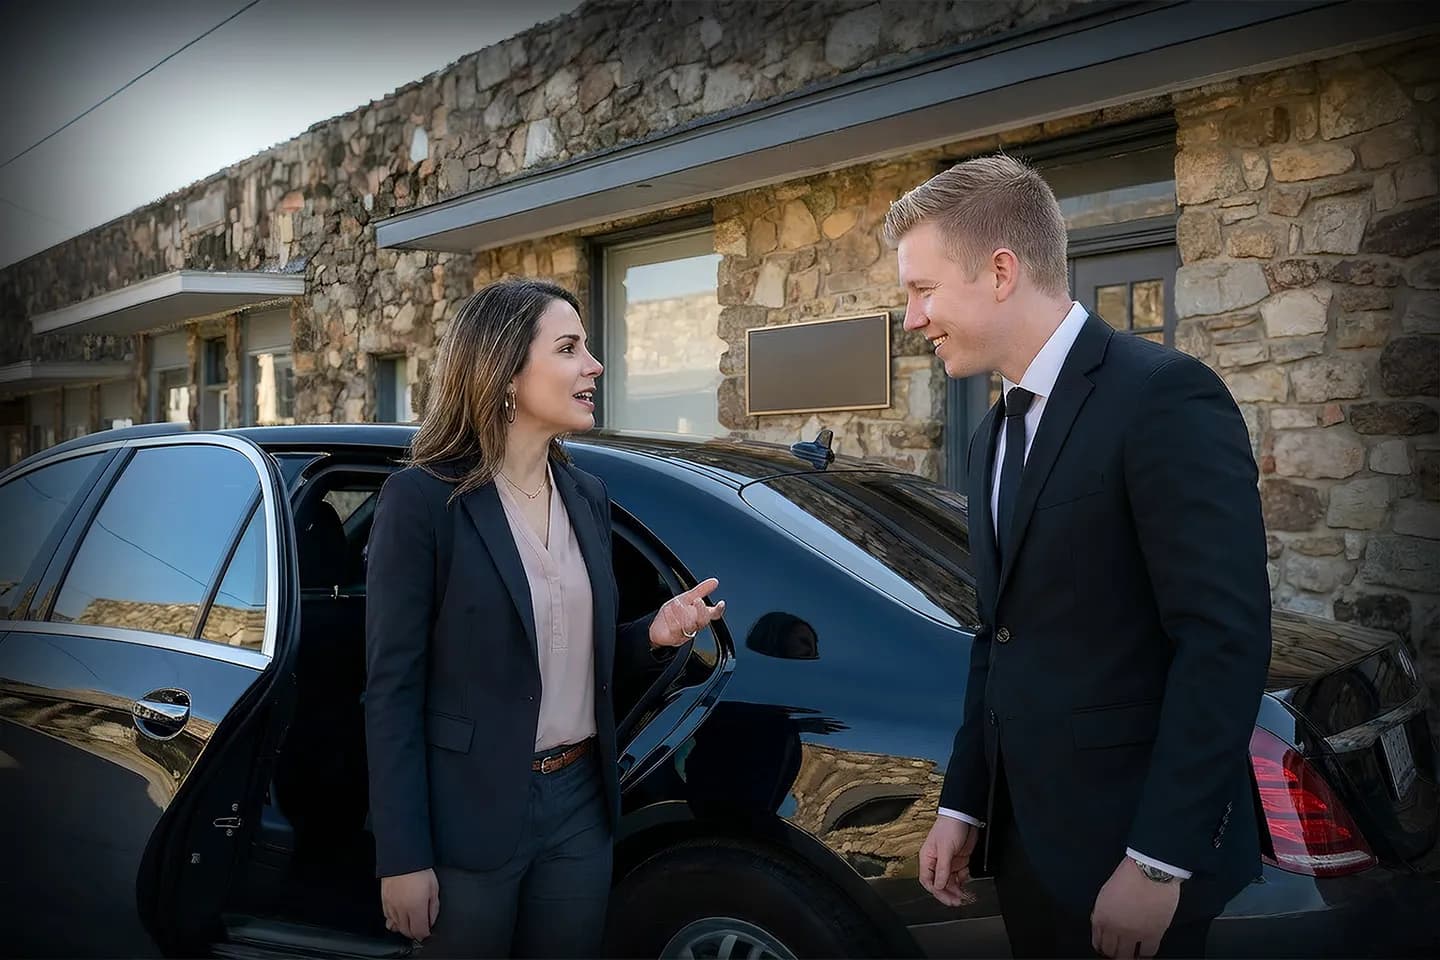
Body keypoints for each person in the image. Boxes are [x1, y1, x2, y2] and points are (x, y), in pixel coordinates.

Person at [884, 155, 1270, 959]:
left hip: (1135, 862)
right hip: (1031, 857)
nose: (912, 318)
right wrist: (965, 804)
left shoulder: (1163, 396)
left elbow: (1222, 641)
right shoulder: (992, 434)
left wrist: (1158, 863)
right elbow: (1003, 635)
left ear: (1000, 271)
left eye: (922, 290)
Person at [364, 278, 725, 958]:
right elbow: (392, 693)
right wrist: (402, 856)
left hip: (578, 809)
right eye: (569, 348)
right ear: (504, 372)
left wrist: (651, 633)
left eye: (587, 347)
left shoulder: (587, 495)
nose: (593, 365)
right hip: (468, 817)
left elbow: (563, 656)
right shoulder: (421, 503)